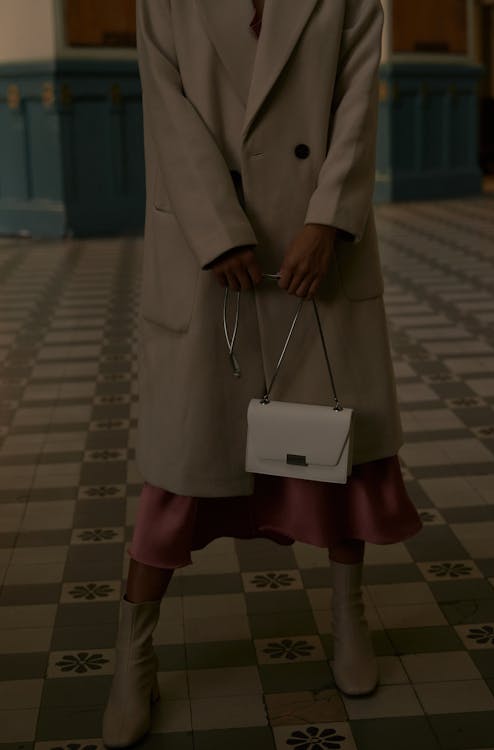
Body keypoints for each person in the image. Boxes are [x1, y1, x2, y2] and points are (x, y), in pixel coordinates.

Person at [102, 0, 422, 746]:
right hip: (210, 257)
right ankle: (134, 656)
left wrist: (330, 219)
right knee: (182, 469)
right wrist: (217, 231)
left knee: (342, 453)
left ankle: (349, 621)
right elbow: (170, 117)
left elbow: (354, 109)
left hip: (319, 255)